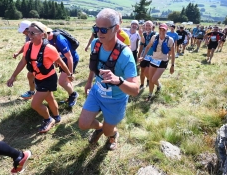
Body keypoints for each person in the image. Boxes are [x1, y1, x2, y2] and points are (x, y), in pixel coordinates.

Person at [78, 8, 139, 151]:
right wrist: (88, 82)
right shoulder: (96, 44)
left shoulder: (126, 55)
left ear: (116, 28)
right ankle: (100, 128)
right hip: (97, 92)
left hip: (116, 99)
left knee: (108, 131)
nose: (98, 33)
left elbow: (135, 90)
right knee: (83, 124)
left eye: (103, 30)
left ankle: (113, 134)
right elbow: (94, 66)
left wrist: (118, 80)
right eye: (96, 28)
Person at [7, 21, 74, 133]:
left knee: (35, 104)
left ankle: (48, 119)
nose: (29, 35)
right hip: (38, 77)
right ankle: (57, 117)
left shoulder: (49, 49)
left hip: (48, 79)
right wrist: (13, 76)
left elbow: (61, 62)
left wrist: (69, 74)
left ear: (42, 34)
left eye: (33, 33)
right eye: (29, 32)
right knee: (50, 98)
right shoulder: (28, 45)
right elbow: (23, 61)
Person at [139, 24, 175, 101]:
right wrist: (143, 56)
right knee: (150, 78)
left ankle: (159, 85)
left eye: (164, 30)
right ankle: (150, 94)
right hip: (154, 60)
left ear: (166, 30)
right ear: (158, 30)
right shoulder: (154, 37)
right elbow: (148, 47)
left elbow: (173, 53)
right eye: (160, 29)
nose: (162, 31)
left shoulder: (170, 40)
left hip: (163, 62)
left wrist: (172, 65)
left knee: (153, 79)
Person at [46, 27, 79, 107]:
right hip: (63, 60)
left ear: (46, 33)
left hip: (71, 60)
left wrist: (70, 74)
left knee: (62, 81)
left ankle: (73, 95)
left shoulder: (60, 40)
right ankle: (71, 96)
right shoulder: (48, 38)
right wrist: (55, 61)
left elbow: (69, 57)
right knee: (66, 81)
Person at [13, 20, 36, 100]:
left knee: (33, 76)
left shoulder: (37, 36)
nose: (23, 33)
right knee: (31, 75)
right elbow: (27, 45)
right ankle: (32, 92)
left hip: (40, 60)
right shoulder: (29, 35)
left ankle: (36, 94)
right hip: (33, 60)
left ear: (28, 29)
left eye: (24, 31)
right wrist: (18, 52)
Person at [137, 21, 156, 89]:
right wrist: (139, 56)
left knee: (147, 71)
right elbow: (143, 43)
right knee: (142, 71)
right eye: (146, 25)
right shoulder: (144, 34)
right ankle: (142, 84)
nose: (147, 27)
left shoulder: (155, 34)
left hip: (152, 56)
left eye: (149, 25)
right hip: (144, 55)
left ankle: (149, 80)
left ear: (152, 26)